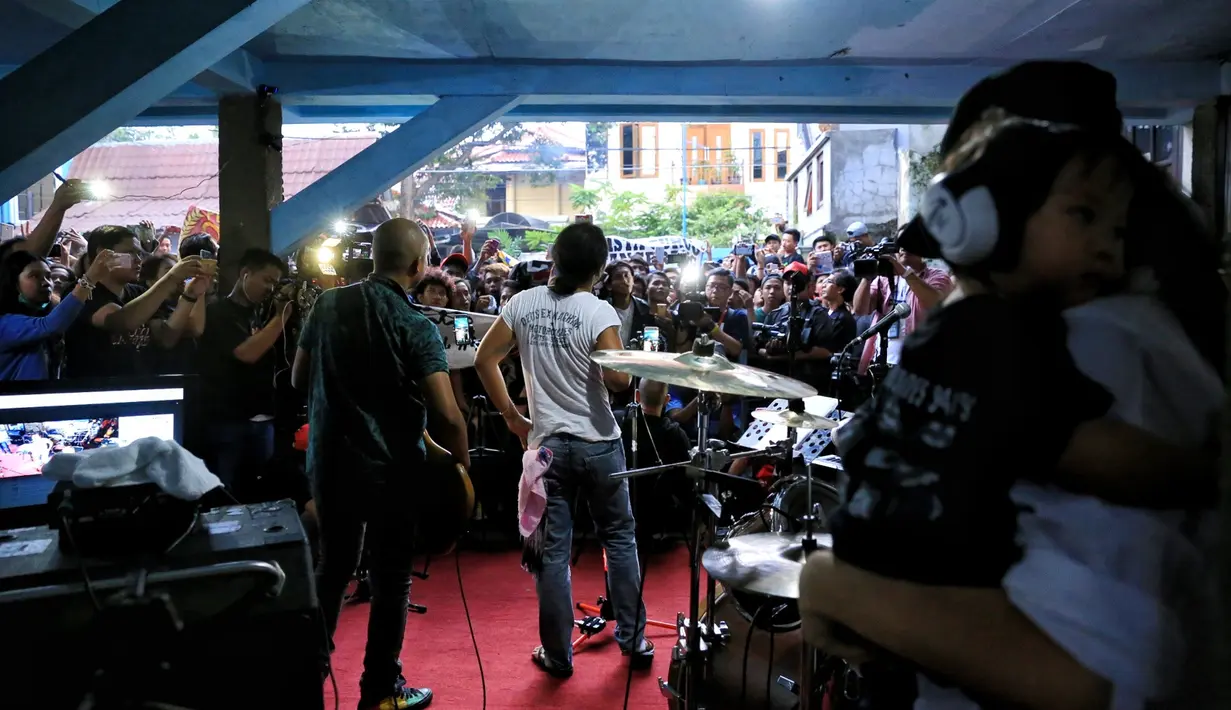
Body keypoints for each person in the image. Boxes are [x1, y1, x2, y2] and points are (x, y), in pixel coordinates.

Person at [803, 116, 1220, 710]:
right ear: (989, 231)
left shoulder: (992, 335)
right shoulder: (1019, 343)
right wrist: (1203, 473)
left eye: (1119, 228)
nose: (1110, 245)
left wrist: (833, 583)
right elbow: (1093, 452)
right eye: (1084, 217)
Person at [293, 218, 468, 710]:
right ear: (418, 266)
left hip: (330, 462)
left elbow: (297, 378)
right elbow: (448, 414)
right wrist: (462, 464)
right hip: (392, 471)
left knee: (333, 566)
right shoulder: (415, 324)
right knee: (392, 577)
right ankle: (380, 691)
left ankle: (306, 680)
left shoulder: (327, 304)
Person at [473, 222, 651, 678]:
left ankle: (557, 656)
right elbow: (619, 380)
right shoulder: (598, 311)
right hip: (599, 444)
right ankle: (634, 641)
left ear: (553, 256)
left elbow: (483, 359)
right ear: (599, 267)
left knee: (552, 554)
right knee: (619, 540)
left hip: (547, 445)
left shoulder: (521, 304)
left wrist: (513, 417)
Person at [197, 248, 289, 493]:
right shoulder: (217, 313)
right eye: (267, 280)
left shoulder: (260, 314)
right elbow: (246, 353)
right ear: (246, 274)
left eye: (275, 283)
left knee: (260, 492)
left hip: (263, 420)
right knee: (224, 493)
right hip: (228, 422)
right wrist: (282, 317)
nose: (270, 288)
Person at [62, 226, 203, 379]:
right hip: (94, 391)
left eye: (139, 253)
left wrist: (190, 296)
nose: (138, 260)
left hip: (139, 390)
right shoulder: (80, 292)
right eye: (130, 253)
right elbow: (123, 321)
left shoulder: (139, 293)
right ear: (102, 253)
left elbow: (166, 338)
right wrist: (171, 278)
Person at [0, 249, 115, 380]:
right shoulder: (5, 324)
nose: (46, 283)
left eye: (48, 276)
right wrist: (89, 279)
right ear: (14, 283)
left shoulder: (47, 313)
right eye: (34, 276)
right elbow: (49, 326)